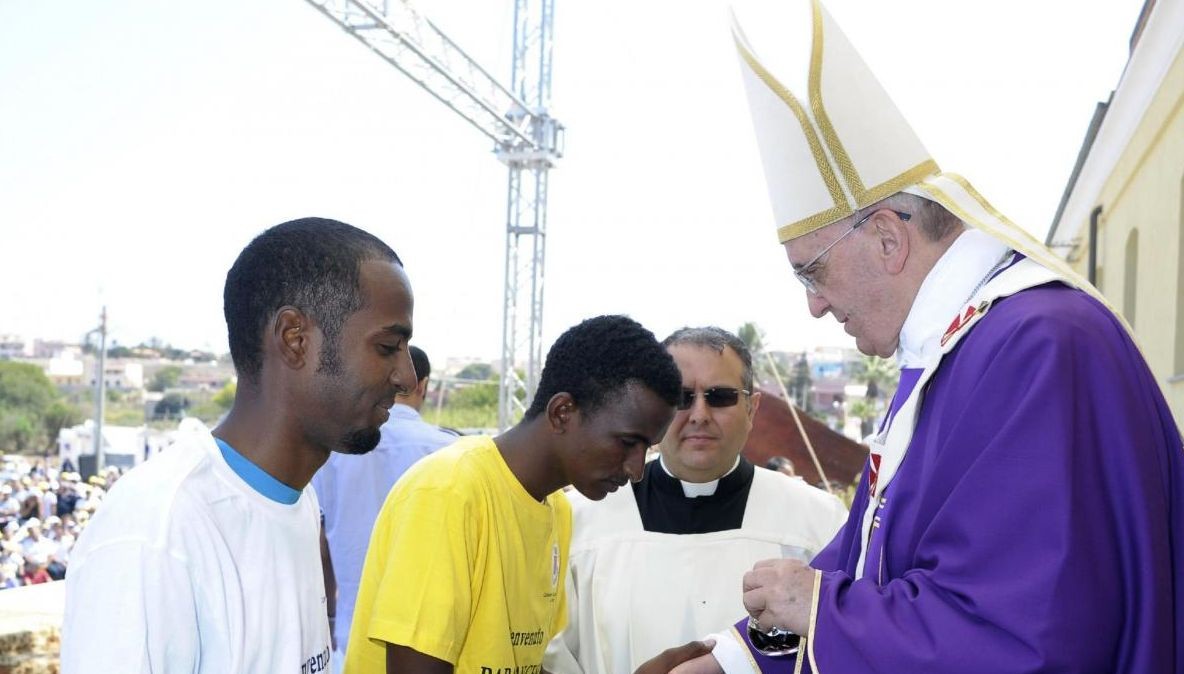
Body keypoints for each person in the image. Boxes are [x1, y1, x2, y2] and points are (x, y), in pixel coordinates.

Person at [666, 2, 1184, 672]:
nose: (816, 306)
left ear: (887, 238)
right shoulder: (957, 350)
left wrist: (819, 608)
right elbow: (870, 548)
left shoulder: (1038, 350)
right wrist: (735, 657)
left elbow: (1028, 635)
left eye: (813, 273)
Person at [61, 217, 417, 673]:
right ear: (295, 339)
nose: (405, 378)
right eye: (388, 347)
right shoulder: (159, 529)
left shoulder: (298, 502)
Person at [343, 315, 690, 674]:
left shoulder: (557, 509)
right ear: (562, 412)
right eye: (628, 442)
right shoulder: (450, 492)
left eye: (646, 448)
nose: (636, 470)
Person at [544, 326, 846, 674]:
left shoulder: (817, 522)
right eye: (681, 397)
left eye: (720, 396)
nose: (700, 414)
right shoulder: (581, 522)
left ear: (751, 408)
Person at [313, 344, 458, 668]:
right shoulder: (453, 451)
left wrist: (329, 620)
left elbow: (319, 546)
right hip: (433, 652)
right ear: (422, 385)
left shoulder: (334, 454)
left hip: (351, 644)